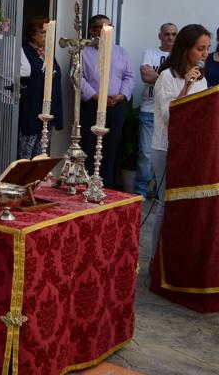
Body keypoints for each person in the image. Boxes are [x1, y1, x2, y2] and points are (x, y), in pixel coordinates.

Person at [149, 24, 211, 256]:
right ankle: (156, 259)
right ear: (186, 49)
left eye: (207, 49)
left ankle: (177, 256)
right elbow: (170, 115)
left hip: (191, 148)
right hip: (166, 147)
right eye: (200, 49)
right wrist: (185, 85)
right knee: (166, 204)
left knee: (186, 204)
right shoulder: (167, 76)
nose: (205, 54)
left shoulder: (202, 79)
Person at [79, 15, 136, 189]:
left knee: (111, 148)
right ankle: (87, 185)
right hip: (93, 106)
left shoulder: (121, 52)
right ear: (92, 30)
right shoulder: (83, 52)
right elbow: (77, 77)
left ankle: (107, 186)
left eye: (109, 27)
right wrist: (95, 96)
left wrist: (121, 95)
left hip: (115, 106)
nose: (105, 31)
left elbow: (130, 76)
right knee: (89, 147)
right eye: (101, 27)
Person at [134, 22, 177, 196]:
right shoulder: (150, 53)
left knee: (166, 154)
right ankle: (141, 192)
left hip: (170, 111)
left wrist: (156, 76)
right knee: (145, 154)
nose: (170, 37)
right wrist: (169, 81)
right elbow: (145, 76)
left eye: (174, 34)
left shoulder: (180, 56)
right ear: (160, 36)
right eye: (166, 34)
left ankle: (159, 191)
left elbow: (178, 83)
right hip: (149, 110)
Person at [16, 17, 63, 159]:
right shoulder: (24, 51)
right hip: (31, 110)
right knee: (26, 152)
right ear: (32, 34)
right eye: (43, 33)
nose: (46, 36)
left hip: (47, 111)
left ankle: (37, 181)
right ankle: (23, 181)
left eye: (48, 33)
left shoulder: (47, 52)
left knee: (41, 153)